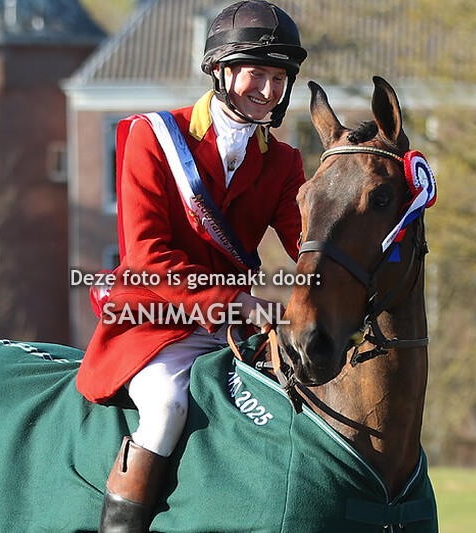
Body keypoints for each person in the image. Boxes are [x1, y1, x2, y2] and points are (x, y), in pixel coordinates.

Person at [75, 1, 308, 530]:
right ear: (222, 71)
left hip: (234, 331)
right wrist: (236, 303)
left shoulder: (283, 161)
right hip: (155, 324)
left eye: (279, 77)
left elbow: (306, 246)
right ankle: (120, 526)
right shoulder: (151, 137)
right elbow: (149, 260)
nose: (269, 90)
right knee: (166, 410)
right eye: (257, 73)